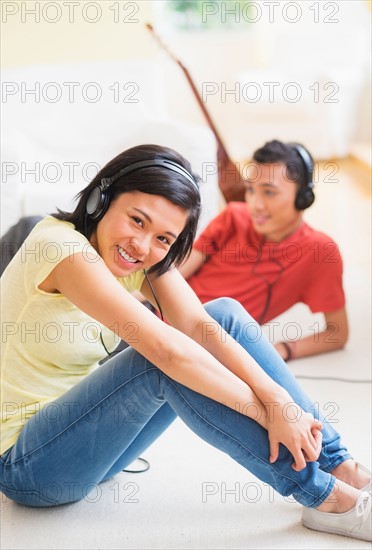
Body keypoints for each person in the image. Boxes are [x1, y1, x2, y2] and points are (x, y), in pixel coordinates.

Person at [0, 144, 370, 542]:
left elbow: (197, 324)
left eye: (163, 237)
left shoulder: (138, 256)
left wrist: (279, 400)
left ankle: (339, 465)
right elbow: (170, 352)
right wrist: (271, 415)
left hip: (82, 442)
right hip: (29, 466)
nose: (142, 246)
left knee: (223, 313)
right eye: (136, 220)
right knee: (162, 360)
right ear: (99, 199)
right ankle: (327, 498)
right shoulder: (62, 248)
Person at [179, 140, 348, 362]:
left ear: (303, 198)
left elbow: (337, 333)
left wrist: (283, 349)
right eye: (250, 190)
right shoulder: (233, 216)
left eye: (269, 192)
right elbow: (177, 272)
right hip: (160, 317)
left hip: (201, 351)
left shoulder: (319, 252)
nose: (256, 204)